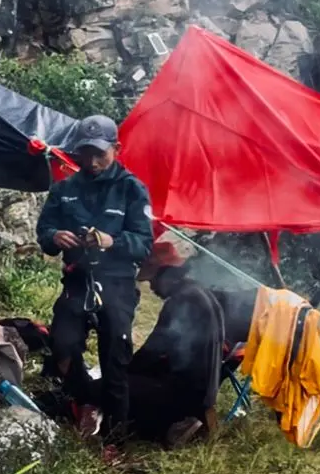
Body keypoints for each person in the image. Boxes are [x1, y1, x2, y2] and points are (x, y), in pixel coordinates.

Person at [36, 114, 154, 447]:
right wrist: (54, 236)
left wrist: (111, 241)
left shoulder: (132, 189)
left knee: (115, 357)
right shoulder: (65, 189)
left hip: (116, 284)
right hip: (77, 281)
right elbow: (44, 231)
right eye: (85, 153)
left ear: (116, 148)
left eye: (99, 153)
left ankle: (116, 440)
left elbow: (144, 244)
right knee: (62, 343)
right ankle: (86, 400)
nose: (91, 161)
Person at [123, 242, 225, 447]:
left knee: (117, 389)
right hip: (206, 392)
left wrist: (123, 372)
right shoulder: (201, 293)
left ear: (167, 274)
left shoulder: (182, 301)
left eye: (152, 281)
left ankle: (177, 423)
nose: (151, 288)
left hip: (185, 394)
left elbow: (152, 350)